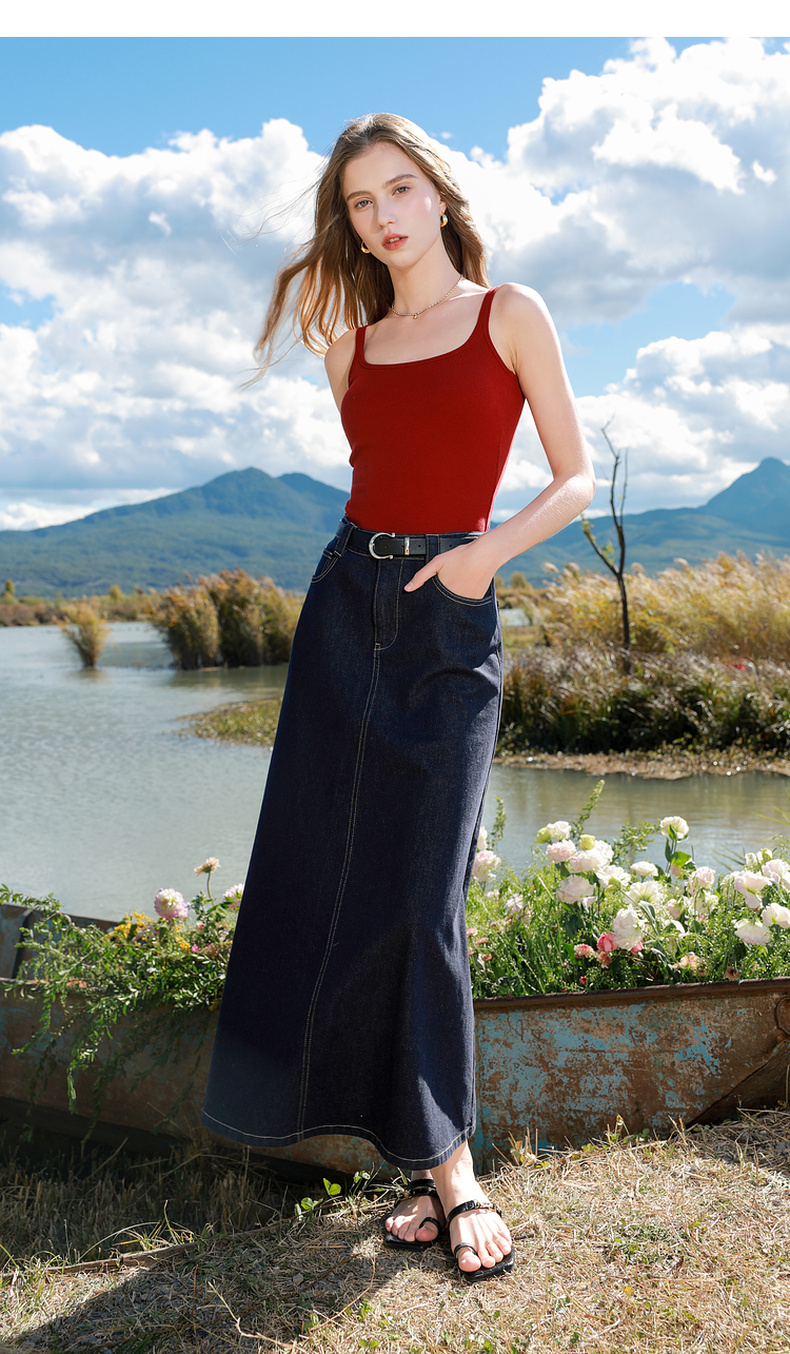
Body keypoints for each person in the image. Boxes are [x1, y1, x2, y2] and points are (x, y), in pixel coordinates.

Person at [201, 113, 595, 1283]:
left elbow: (573, 476)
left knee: (423, 895)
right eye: (360, 202)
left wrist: (482, 557)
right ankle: (428, 1164)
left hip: (446, 617)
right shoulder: (350, 349)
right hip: (344, 607)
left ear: (439, 192)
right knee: (322, 873)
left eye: (400, 189)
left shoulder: (509, 313)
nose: (382, 216)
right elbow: (376, 479)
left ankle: (448, 1166)